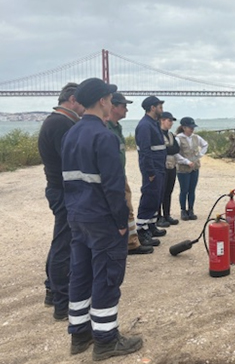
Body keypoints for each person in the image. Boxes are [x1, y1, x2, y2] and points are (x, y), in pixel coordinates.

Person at [62, 78, 143, 360]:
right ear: (102, 101)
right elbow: (113, 186)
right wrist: (122, 222)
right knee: (106, 278)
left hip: (78, 217)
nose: (112, 103)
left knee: (81, 275)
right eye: (110, 99)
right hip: (102, 220)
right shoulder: (105, 136)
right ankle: (106, 340)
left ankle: (80, 334)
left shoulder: (70, 134)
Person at [38, 82, 84, 320]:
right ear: (73, 99)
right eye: (83, 101)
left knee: (61, 239)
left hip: (59, 189)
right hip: (63, 190)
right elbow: (71, 159)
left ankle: (51, 289)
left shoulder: (58, 121)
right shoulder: (60, 123)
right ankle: (61, 300)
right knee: (64, 243)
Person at [106, 92, 154, 255]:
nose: (126, 110)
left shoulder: (116, 127)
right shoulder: (106, 128)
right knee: (123, 208)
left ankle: (131, 242)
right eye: (124, 106)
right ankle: (128, 244)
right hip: (113, 177)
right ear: (113, 107)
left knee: (127, 208)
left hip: (120, 174)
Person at [135, 96, 168, 245]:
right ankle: (142, 230)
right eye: (159, 106)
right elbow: (145, 151)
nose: (162, 109)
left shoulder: (153, 124)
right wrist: (150, 172)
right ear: (152, 108)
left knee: (156, 197)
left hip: (159, 167)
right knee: (149, 197)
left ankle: (151, 225)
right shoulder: (144, 126)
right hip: (153, 169)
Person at [174, 117, 209, 221]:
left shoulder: (196, 137)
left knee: (192, 190)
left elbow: (205, 145)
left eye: (192, 127)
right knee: (184, 190)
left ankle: (191, 209)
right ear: (184, 127)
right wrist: (186, 161)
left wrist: (199, 156)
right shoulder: (178, 138)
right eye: (190, 127)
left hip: (194, 167)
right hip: (183, 168)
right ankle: (183, 210)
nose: (192, 129)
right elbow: (175, 153)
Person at [157, 111, 180, 227]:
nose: (171, 123)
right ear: (162, 120)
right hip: (162, 166)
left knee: (168, 192)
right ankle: (158, 216)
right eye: (169, 120)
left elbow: (177, 149)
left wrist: (168, 149)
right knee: (160, 192)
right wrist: (169, 149)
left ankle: (167, 214)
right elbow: (163, 150)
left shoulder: (170, 135)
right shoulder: (157, 134)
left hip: (172, 166)